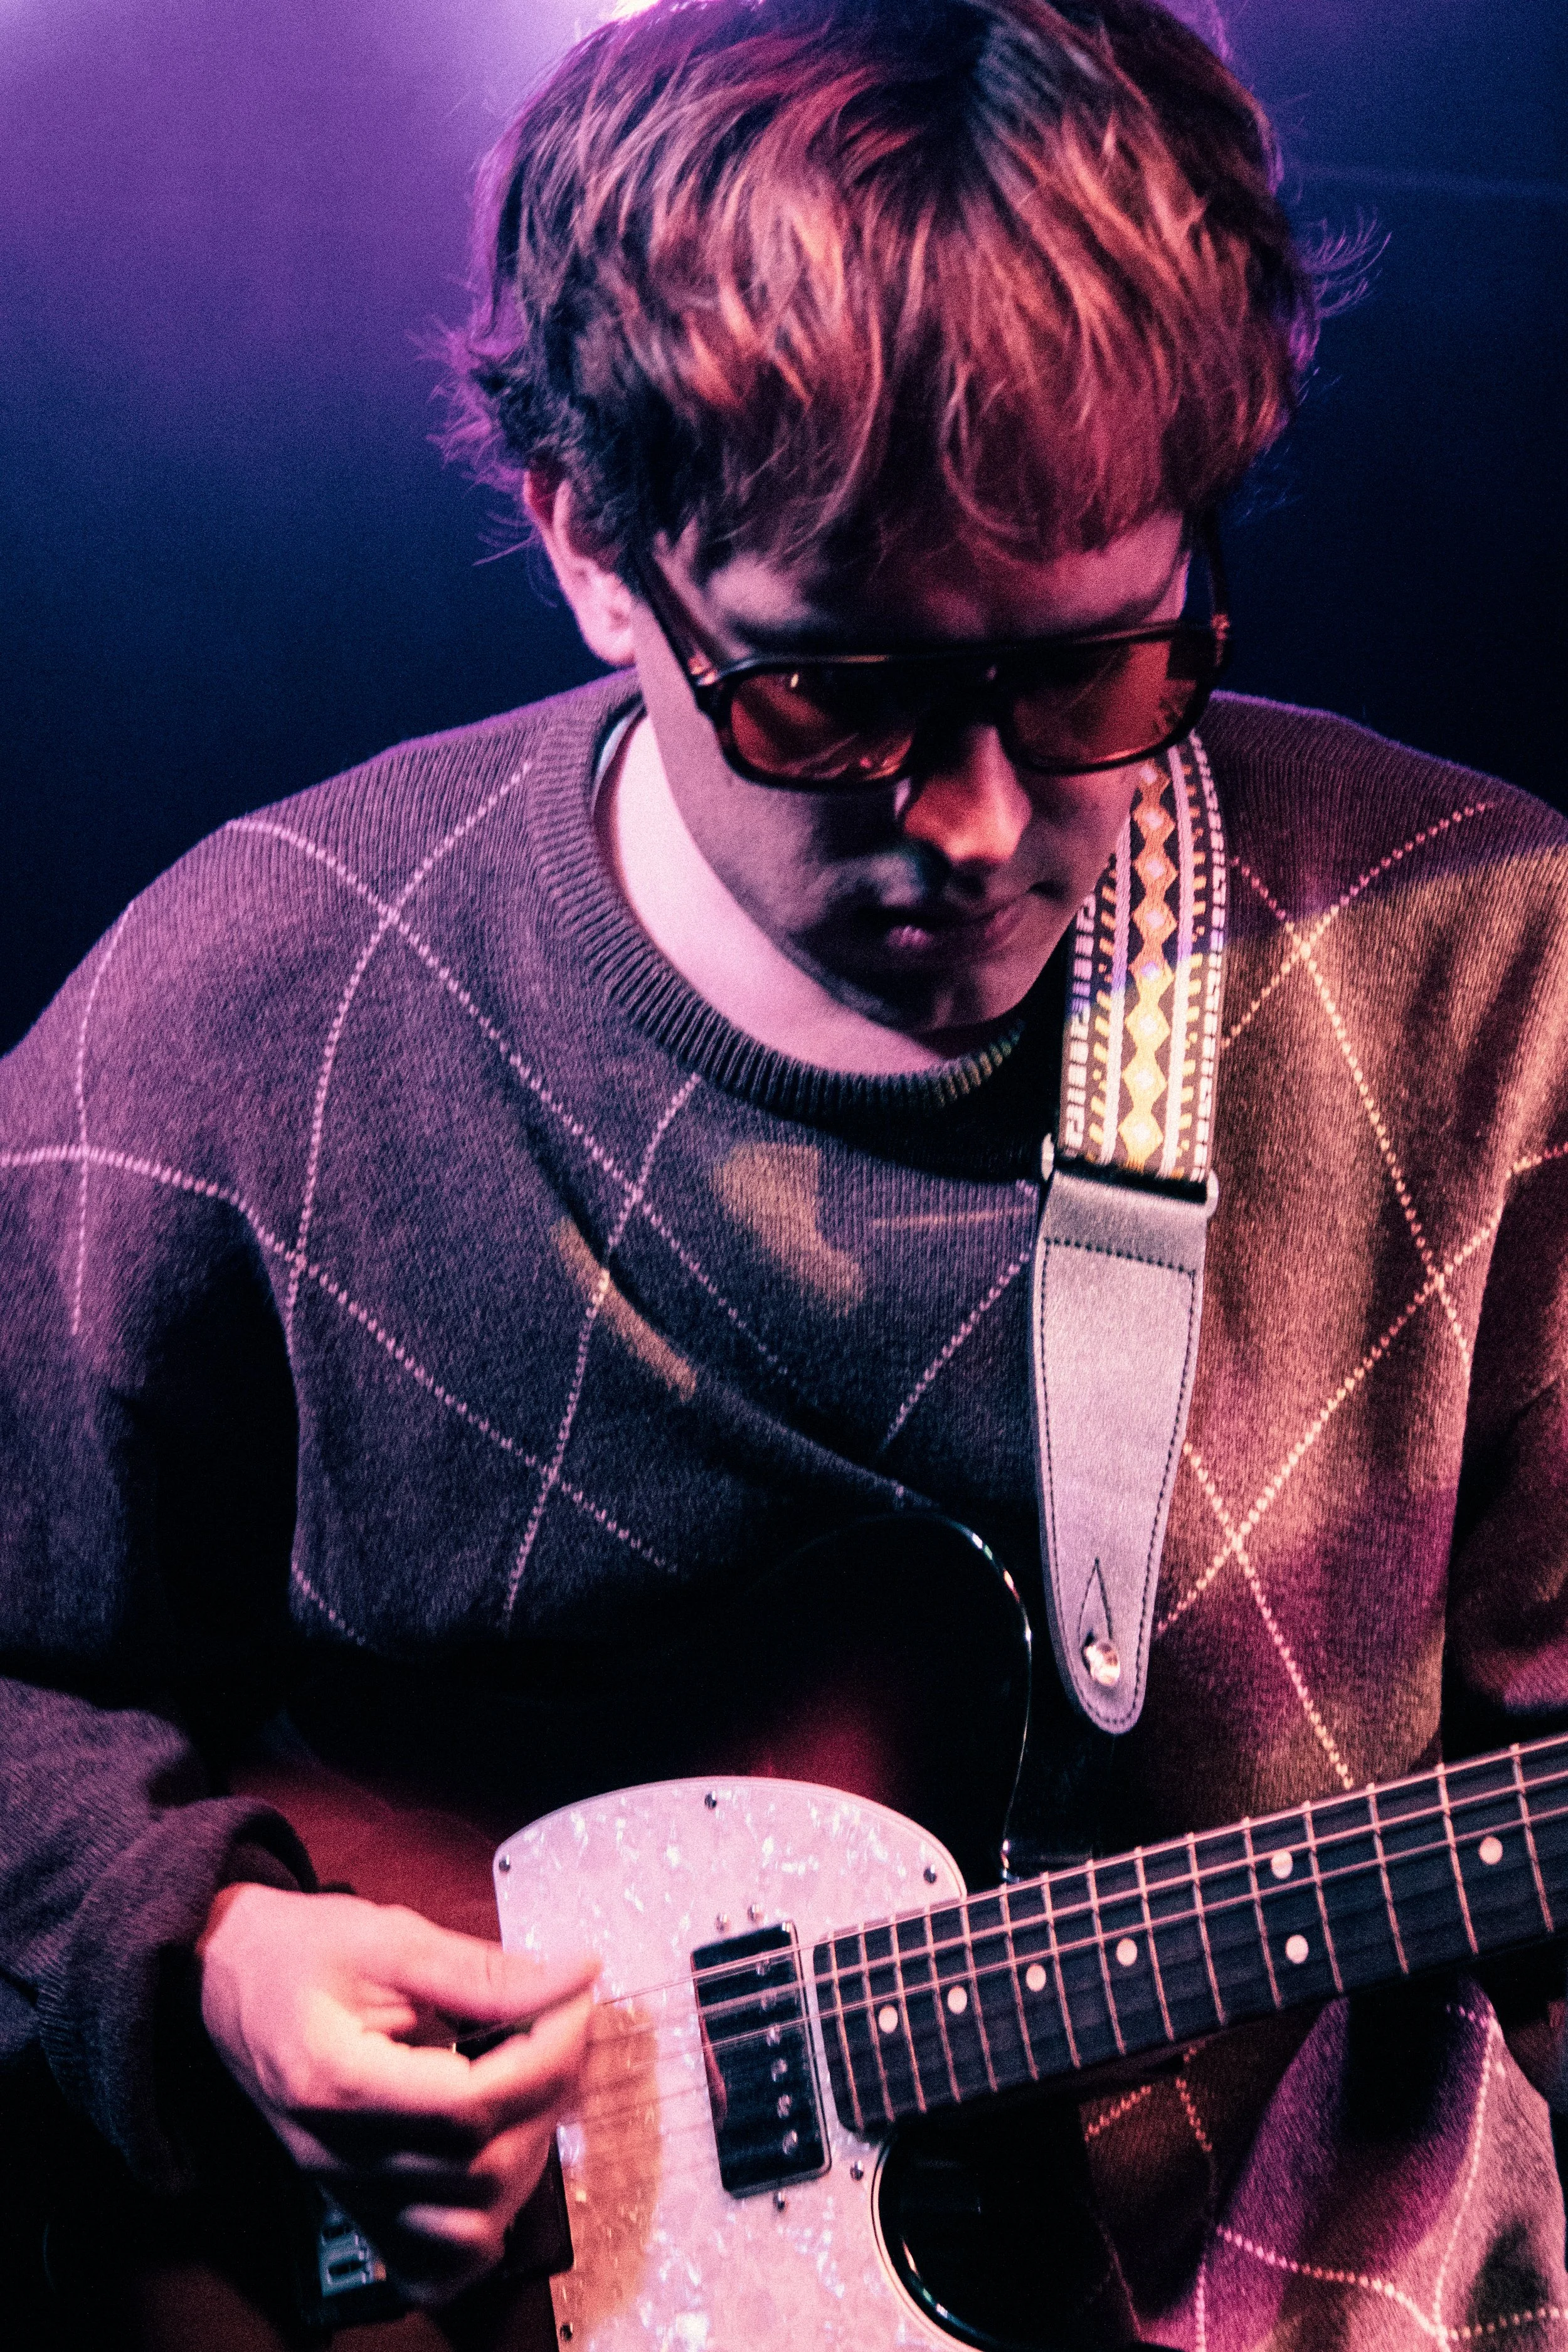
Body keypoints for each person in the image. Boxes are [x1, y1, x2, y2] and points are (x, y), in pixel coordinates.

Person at [4, 0, 1568, 2343]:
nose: (968, 824)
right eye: (826, 699)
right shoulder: (249, 1021)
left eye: (1090, 678)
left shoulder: (1486, 979)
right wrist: (199, 1949)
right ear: (589, 552)